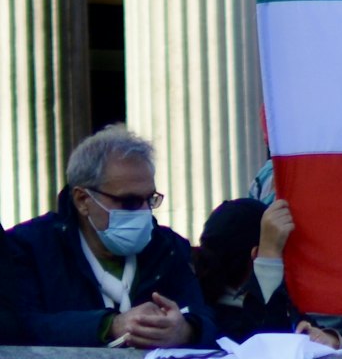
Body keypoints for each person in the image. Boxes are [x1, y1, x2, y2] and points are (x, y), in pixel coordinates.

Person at [8, 122, 215, 348]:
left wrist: (187, 330)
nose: (144, 212)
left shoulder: (169, 247)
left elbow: (206, 317)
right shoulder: (29, 247)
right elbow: (21, 326)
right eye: (129, 201)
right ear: (82, 200)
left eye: (150, 200)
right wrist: (109, 326)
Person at [194, 196, 297, 340]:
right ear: (255, 256)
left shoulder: (195, 307)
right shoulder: (211, 324)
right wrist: (269, 261)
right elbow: (272, 345)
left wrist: (331, 337)